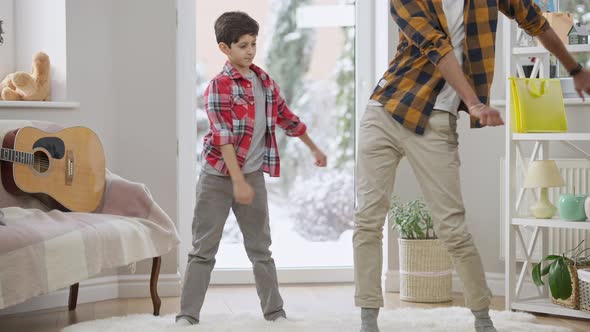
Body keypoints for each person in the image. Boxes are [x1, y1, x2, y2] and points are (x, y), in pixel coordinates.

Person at [354, 1, 590, 332]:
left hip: (436, 121)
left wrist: (575, 70)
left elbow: (536, 22)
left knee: (452, 227)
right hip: (385, 112)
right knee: (367, 218)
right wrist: (475, 102)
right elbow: (437, 47)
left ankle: (482, 318)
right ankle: (368, 319)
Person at [176, 11, 327, 326]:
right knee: (203, 249)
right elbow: (223, 138)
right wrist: (237, 181)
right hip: (218, 178)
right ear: (224, 48)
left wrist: (313, 148)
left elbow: (287, 118)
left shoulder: (265, 81)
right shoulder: (218, 86)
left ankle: (275, 313)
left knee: (261, 249)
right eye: (242, 45)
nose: (249, 50)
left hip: (252, 176)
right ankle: (187, 316)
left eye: (253, 43)